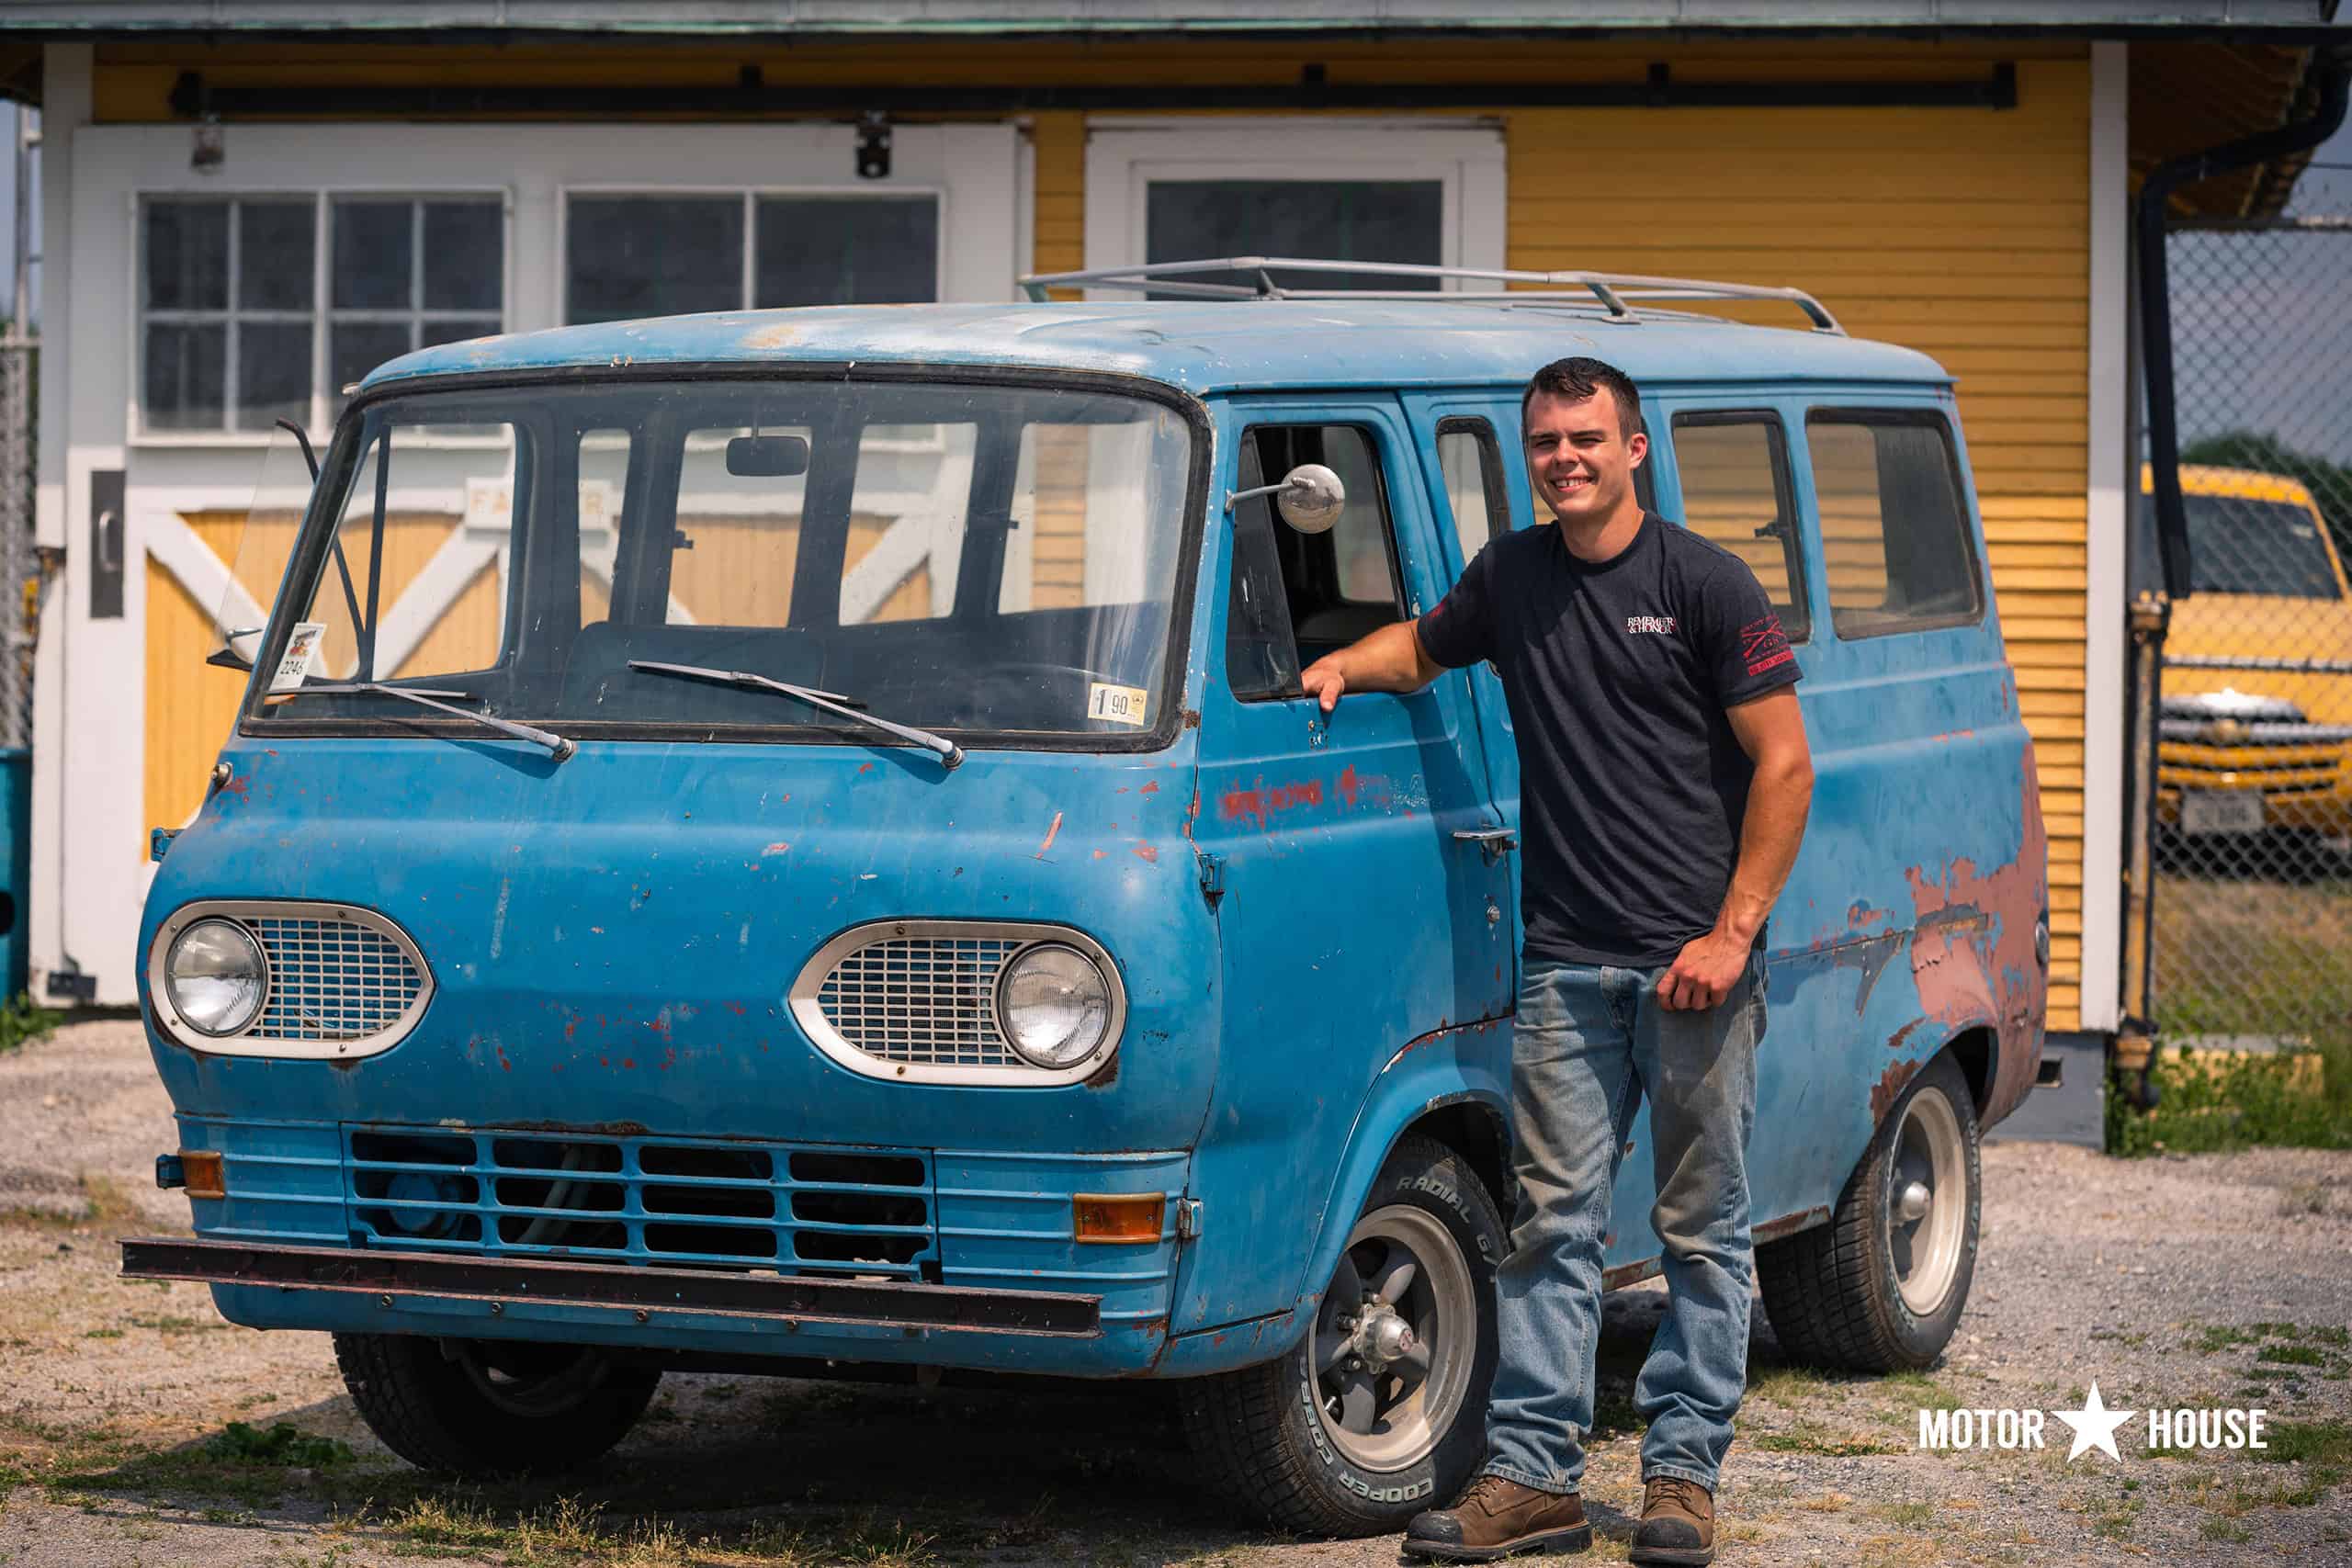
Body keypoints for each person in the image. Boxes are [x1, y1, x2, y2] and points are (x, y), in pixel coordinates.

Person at [1298, 356, 1814, 1566]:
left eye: (1587, 439)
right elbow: (1420, 649)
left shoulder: (1705, 583)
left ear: (1636, 450)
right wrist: (1336, 668)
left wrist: (1731, 935)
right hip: (1569, 966)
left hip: (1695, 965)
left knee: (1702, 1225)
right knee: (1550, 1228)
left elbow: (1785, 766)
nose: (1565, 458)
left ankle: (1683, 1480)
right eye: (1546, 443)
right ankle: (1534, 1483)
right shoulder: (1512, 578)